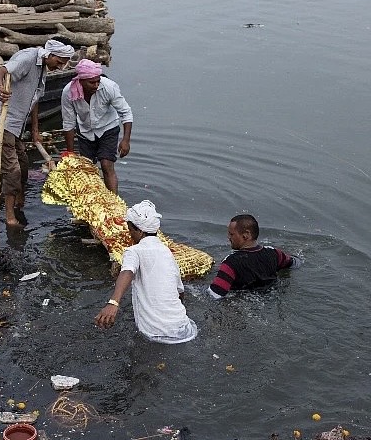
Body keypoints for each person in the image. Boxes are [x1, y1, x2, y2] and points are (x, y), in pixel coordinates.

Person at [0, 38, 74, 227]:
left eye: (64, 63)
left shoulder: (43, 68)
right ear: (50, 54)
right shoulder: (28, 59)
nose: (61, 67)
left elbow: (34, 98)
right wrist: (1, 90)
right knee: (12, 169)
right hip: (0, 117)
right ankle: (10, 217)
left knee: (23, 162)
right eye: (59, 62)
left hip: (16, 122)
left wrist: (35, 130)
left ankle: (19, 199)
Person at [94, 200, 198, 344]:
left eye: (130, 229)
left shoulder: (134, 251)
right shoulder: (166, 251)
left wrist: (113, 303)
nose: (129, 234)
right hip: (184, 329)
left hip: (155, 333)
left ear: (140, 231)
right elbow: (180, 292)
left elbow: (127, 271)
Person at [60, 59, 133, 194]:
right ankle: (94, 200)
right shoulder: (68, 92)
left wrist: (126, 140)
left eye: (98, 81)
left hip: (108, 128)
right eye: (92, 82)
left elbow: (126, 113)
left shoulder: (109, 87)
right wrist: (70, 153)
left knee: (106, 164)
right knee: (88, 169)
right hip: (85, 131)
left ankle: (113, 201)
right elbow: (68, 123)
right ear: (81, 81)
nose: (96, 85)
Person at [207, 214, 303, 299]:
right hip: (270, 297)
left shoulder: (230, 263)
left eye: (231, 234)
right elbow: (295, 262)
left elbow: (214, 295)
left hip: (243, 302)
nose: (228, 237)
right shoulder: (275, 253)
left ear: (246, 235)